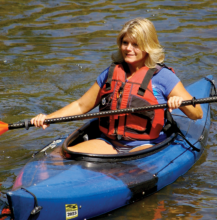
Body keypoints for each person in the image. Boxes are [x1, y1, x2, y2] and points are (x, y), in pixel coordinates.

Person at [31, 17, 203, 155]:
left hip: (145, 145)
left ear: (148, 47)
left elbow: (197, 114)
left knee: (131, 167)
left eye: (135, 44)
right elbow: (81, 105)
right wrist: (48, 118)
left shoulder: (163, 77)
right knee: (60, 155)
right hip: (109, 143)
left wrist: (180, 103)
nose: (128, 48)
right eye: (125, 43)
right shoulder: (111, 74)